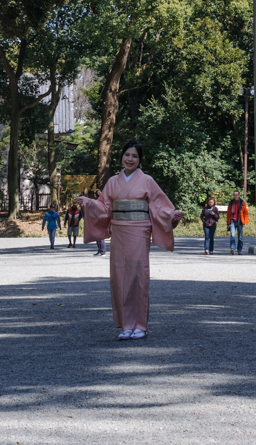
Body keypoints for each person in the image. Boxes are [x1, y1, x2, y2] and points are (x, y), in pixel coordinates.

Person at [78, 138, 184, 340]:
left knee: (138, 275)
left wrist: (171, 215)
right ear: (121, 157)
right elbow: (104, 208)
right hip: (118, 230)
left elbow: (159, 206)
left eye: (134, 156)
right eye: (127, 155)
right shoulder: (112, 182)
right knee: (119, 275)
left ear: (140, 160)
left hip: (140, 230)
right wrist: (89, 203)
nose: (130, 159)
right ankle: (126, 325)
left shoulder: (147, 181)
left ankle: (140, 325)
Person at [227, 190, 249, 255]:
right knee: (232, 235)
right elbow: (228, 214)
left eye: (237, 195)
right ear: (233, 196)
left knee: (240, 237)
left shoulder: (242, 203)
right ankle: (232, 249)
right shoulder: (231, 203)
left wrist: (245, 222)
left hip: (240, 221)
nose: (235, 196)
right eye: (234, 195)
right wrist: (228, 223)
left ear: (239, 195)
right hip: (233, 221)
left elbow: (246, 213)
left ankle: (239, 250)